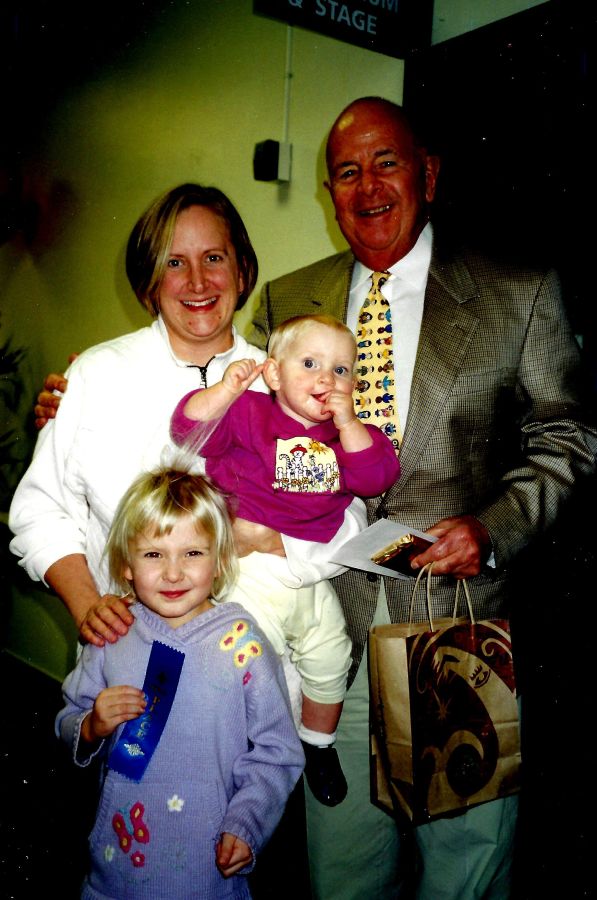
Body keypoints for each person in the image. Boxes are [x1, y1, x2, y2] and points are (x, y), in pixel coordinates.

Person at [249, 97, 597, 899]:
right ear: (328, 192)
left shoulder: (519, 289)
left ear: (428, 173)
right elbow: (233, 411)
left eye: (387, 162)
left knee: (463, 869)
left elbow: (568, 434)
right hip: (324, 630)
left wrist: (492, 525)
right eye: (345, 171)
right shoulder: (287, 298)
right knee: (340, 869)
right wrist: (88, 400)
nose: (366, 186)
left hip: (455, 625)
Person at [8, 181, 363, 897]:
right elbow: (40, 509)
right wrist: (85, 604)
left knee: (241, 867)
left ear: (243, 271)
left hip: (254, 699)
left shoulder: (290, 381)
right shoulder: (96, 375)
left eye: (215, 259)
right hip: (134, 689)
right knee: (132, 861)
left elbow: (345, 509)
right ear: (148, 281)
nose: (197, 281)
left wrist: (274, 543)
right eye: (175, 263)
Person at [170, 313, 400, 806]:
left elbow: (378, 477)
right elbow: (188, 428)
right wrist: (226, 391)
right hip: (249, 570)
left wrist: (348, 421)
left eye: (341, 370)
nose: (326, 378)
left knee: (331, 653)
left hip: (309, 573)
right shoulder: (250, 413)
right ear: (273, 374)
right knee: (251, 662)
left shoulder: (347, 437)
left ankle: (318, 744)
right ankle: (238, 755)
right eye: (311, 363)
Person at [55, 467, 305, 899]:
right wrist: (92, 725)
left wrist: (247, 824)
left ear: (220, 560)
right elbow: (67, 719)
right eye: (153, 555)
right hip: (115, 866)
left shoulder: (241, 644)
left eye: (192, 553)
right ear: (126, 566)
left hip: (206, 869)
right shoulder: (113, 632)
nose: (173, 573)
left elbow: (278, 751)